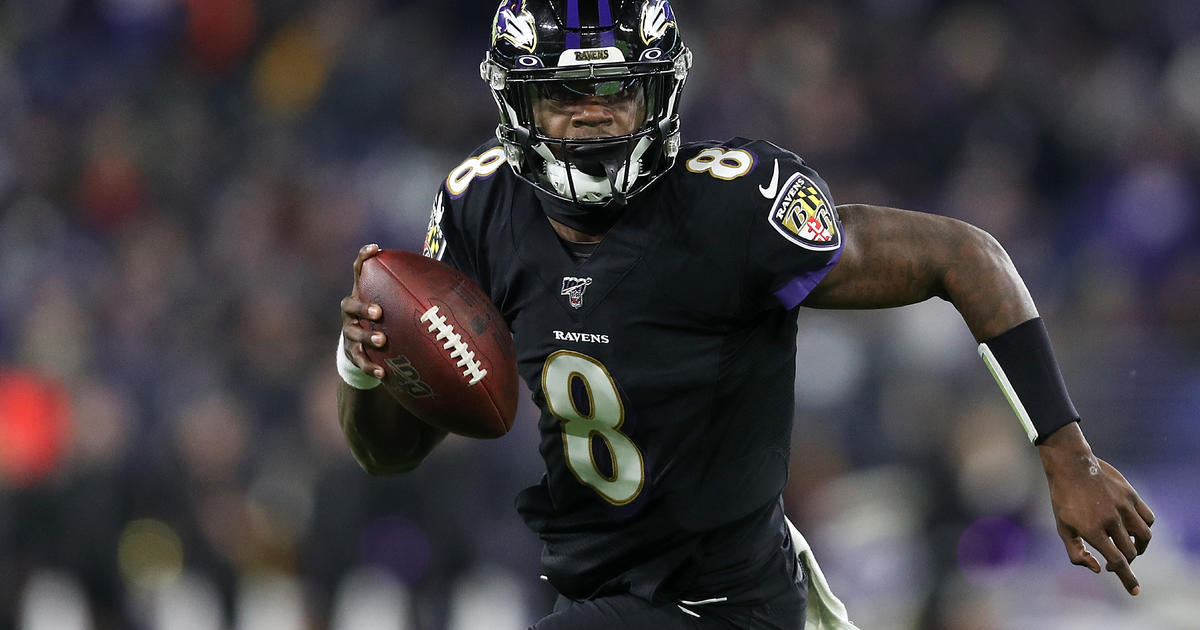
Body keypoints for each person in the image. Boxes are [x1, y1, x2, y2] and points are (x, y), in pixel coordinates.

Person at [336, 1, 1155, 627]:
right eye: (565, 92)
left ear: (659, 88)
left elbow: (966, 256)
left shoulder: (733, 206)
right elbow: (386, 452)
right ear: (519, 103)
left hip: (727, 602)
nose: (595, 114)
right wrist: (366, 364)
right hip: (597, 591)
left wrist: (1066, 455)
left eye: (619, 88)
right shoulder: (479, 207)